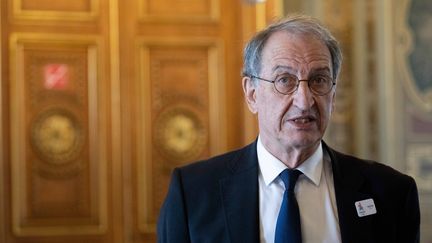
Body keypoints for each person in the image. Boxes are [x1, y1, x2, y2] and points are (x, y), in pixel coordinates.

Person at [157, 15, 420, 243]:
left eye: (319, 80)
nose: (305, 101)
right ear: (252, 94)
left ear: (334, 94)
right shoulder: (193, 193)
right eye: (285, 80)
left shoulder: (391, 193)